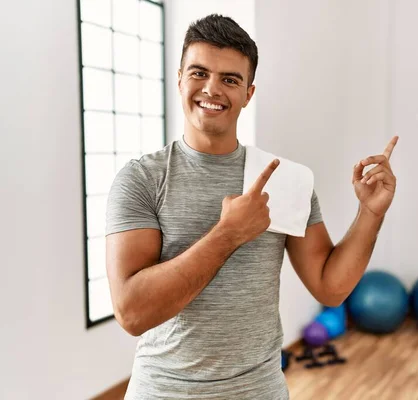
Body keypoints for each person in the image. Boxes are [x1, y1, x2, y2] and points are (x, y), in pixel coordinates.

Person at [105, 14, 398, 400]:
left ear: (248, 93)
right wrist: (229, 234)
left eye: (230, 79)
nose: (212, 88)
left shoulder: (285, 179)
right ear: (179, 80)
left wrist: (371, 213)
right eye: (198, 73)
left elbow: (330, 288)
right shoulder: (141, 179)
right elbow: (132, 313)